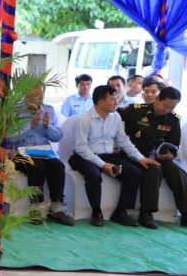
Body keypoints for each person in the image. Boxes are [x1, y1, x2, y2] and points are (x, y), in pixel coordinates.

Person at [68, 84, 157, 227]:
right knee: (93, 175)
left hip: (108, 156)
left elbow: (123, 140)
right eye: (113, 100)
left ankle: (120, 212)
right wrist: (103, 165)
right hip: (83, 157)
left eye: (117, 99)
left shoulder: (115, 116)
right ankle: (96, 212)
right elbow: (81, 149)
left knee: (135, 173)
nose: (117, 102)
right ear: (100, 102)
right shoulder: (83, 120)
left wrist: (140, 158)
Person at [119, 86, 187, 228]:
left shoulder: (173, 119)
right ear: (157, 99)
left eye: (172, 108)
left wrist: (171, 154)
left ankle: (185, 213)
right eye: (165, 106)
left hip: (159, 156)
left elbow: (174, 144)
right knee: (154, 169)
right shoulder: (136, 110)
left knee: (176, 171)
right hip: (135, 155)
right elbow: (112, 115)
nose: (167, 110)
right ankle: (146, 213)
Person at [6, 86, 74, 226]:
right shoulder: (15, 111)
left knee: (57, 165)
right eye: (36, 98)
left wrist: (48, 126)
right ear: (26, 96)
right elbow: (9, 139)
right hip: (20, 152)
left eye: (41, 97)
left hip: (43, 151)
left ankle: (56, 207)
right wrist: (30, 126)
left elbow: (57, 136)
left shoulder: (48, 110)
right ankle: (36, 208)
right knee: (37, 165)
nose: (40, 101)